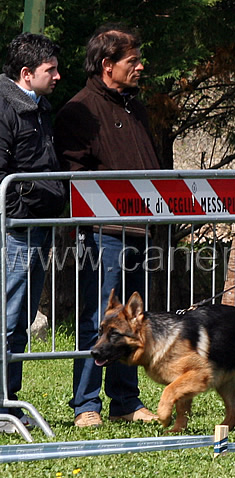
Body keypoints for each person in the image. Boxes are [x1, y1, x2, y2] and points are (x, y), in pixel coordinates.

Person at [54, 24, 161, 428]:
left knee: (132, 323)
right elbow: (72, 177)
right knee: (97, 319)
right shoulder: (79, 110)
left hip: (140, 231)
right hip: (101, 235)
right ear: (107, 65)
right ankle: (86, 405)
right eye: (132, 61)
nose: (140, 67)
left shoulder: (136, 106)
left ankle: (126, 402)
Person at [0, 33, 66, 433]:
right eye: (51, 70)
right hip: (16, 229)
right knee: (6, 318)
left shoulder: (40, 108)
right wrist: (21, 206)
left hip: (38, 226)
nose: (58, 75)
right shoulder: (6, 108)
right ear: (27, 73)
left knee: (20, 319)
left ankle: (10, 401)